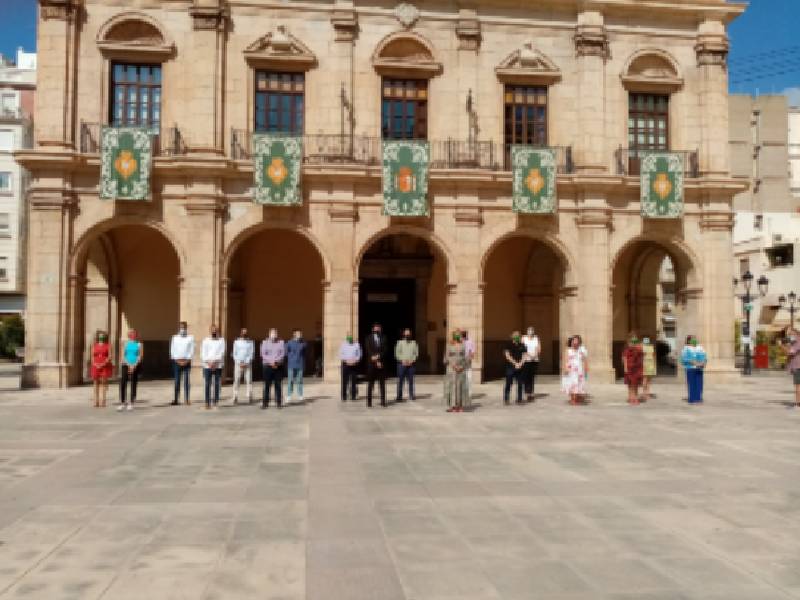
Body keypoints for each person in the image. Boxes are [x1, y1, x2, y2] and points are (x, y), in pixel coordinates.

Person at [200, 324, 225, 410]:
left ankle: (216, 402)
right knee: (207, 384)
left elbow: (222, 352)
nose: (214, 331)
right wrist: (209, 362)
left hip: (218, 365)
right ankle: (207, 402)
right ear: (210, 331)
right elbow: (203, 353)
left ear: (218, 331)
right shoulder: (206, 341)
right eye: (212, 330)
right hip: (207, 365)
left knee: (217, 384)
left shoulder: (221, 340)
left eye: (215, 330)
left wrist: (215, 362)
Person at [170, 321, 194, 405]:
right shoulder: (175, 337)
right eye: (181, 327)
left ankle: (187, 399)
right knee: (177, 381)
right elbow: (172, 351)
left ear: (186, 328)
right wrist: (177, 361)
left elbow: (191, 351)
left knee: (187, 381)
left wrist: (187, 361)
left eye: (184, 327)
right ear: (179, 328)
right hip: (177, 362)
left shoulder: (190, 338)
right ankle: (176, 399)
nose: (182, 329)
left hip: (187, 362)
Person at [444, 330, 468, 412]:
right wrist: (453, 365)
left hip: (461, 370)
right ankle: (452, 406)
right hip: (451, 369)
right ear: (453, 336)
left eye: (459, 335)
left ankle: (459, 406)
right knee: (451, 387)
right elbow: (446, 358)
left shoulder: (463, 346)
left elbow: (465, 358)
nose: (458, 336)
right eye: (456, 335)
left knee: (460, 387)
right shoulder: (449, 345)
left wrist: (462, 366)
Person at [118, 329, 143, 411]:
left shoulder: (139, 344)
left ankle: (131, 402)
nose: (132, 335)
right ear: (128, 335)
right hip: (125, 364)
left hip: (135, 365)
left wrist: (134, 365)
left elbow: (140, 356)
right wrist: (128, 364)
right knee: (123, 382)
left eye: (134, 333)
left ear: (136, 335)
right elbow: (122, 355)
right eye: (130, 333)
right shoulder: (125, 343)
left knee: (133, 383)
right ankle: (122, 402)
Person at [261, 328, 286, 409]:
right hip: (267, 366)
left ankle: (278, 402)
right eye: (272, 333)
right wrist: (271, 362)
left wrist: (275, 362)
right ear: (269, 334)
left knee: (278, 385)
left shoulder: (281, 342)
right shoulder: (264, 342)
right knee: (266, 385)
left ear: (277, 334)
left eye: (275, 333)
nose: (273, 335)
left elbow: (282, 354)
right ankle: (265, 403)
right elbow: (263, 354)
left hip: (278, 366)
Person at [364, 323, 387, 407]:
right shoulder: (368, 338)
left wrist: (379, 357)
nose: (377, 329)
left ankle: (383, 401)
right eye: (376, 328)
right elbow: (368, 349)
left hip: (381, 363)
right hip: (371, 363)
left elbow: (385, 349)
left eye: (378, 328)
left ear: (380, 329)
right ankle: (369, 402)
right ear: (373, 329)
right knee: (370, 383)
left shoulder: (384, 338)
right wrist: (373, 357)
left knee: (382, 384)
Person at [562, 335, 588, 405]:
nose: (575, 342)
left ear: (579, 342)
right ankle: (572, 398)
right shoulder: (568, 350)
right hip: (570, 369)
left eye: (577, 340)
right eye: (574, 340)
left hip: (579, 369)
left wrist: (586, 368)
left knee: (577, 384)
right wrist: (566, 368)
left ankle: (576, 398)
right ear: (572, 341)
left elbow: (584, 360)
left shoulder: (581, 350)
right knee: (571, 383)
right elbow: (566, 360)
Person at [681, 334, 706, 404]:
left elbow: (704, 356)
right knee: (692, 384)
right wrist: (695, 363)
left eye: (695, 339)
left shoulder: (700, 348)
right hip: (690, 368)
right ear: (689, 341)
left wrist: (703, 363)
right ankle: (692, 399)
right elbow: (684, 359)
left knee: (699, 384)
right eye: (693, 339)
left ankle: (698, 398)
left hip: (699, 368)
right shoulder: (685, 349)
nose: (695, 340)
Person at [231, 328, 254, 404]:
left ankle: (250, 396)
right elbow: (234, 353)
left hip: (248, 364)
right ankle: (235, 396)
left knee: (248, 380)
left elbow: (251, 353)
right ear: (240, 333)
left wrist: (246, 362)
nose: (244, 333)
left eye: (245, 332)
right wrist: (239, 362)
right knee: (237, 380)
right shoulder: (236, 342)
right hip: (238, 364)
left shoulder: (250, 342)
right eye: (243, 332)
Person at [395, 328, 418, 402]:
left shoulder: (414, 343)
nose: (407, 335)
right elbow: (397, 353)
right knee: (400, 381)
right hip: (401, 364)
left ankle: (411, 395)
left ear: (410, 334)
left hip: (411, 365)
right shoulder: (400, 343)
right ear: (404, 334)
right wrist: (402, 360)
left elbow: (416, 353)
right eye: (406, 333)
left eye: (409, 334)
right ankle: (399, 396)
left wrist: (412, 360)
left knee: (411, 381)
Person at [90, 330, 113, 408]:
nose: (101, 337)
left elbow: (110, 356)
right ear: (97, 337)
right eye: (100, 336)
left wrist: (103, 364)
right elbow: (92, 356)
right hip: (95, 365)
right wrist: (95, 364)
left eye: (102, 336)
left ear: (105, 337)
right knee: (95, 383)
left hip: (104, 366)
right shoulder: (94, 345)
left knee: (103, 383)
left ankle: (103, 400)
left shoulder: (108, 345)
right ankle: (95, 401)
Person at [503, 331, 526, 405]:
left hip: (520, 366)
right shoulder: (508, 345)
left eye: (518, 336)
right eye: (515, 336)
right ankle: (506, 399)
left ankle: (519, 399)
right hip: (510, 367)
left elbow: (524, 355)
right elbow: (507, 356)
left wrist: (521, 363)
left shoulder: (522, 345)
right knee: (508, 383)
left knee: (520, 383)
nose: (517, 337)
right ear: (512, 336)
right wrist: (515, 363)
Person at [622, 331, 644, 405]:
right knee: (630, 384)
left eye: (635, 339)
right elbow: (624, 358)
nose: (633, 342)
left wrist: (639, 346)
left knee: (636, 384)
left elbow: (642, 355)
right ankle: (631, 397)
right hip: (630, 368)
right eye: (632, 340)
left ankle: (635, 398)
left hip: (637, 368)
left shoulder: (639, 348)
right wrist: (625, 368)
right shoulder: (627, 349)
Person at [286, 328, 307, 403]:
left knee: (300, 381)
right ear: (294, 334)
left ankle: (300, 395)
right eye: (298, 334)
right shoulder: (289, 342)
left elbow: (305, 353)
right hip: (291, 364)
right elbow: (286, 352)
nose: (300, 335)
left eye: (300, 334)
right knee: (290, 380)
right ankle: (289, 395)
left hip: (300, 364)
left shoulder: (303, 343)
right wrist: (291, 358)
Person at [339, 333, 361, 401]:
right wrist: (346, 360)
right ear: (347, 337)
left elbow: (359, 354)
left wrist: (355, 360)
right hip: (345, 364)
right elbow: (340, 354)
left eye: (351, 337)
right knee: (344, 381)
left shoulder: (357, 344)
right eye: (349, 337)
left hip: (354, 364)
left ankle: (353, 396)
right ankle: (344, 396)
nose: (350, 338)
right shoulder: (343, 345)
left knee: (354, 381)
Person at [521, 326, 541, 402]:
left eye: (532, 330)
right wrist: (529, 355)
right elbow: (522, 349)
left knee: (532, 376)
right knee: (526, 377)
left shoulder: (536, 338)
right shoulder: (524, 338)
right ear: (527, 331)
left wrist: (535, 355)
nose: (530, 331)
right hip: (526, 360)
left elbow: (539, 348)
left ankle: (531, 392)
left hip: (534, 360)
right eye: (529, 330)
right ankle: (527, 392)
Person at [784, 328, 800, 407]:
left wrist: (781, 346)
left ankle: (798, 403)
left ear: (796, 334)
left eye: (791, 334)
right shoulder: (794, 343)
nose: (790, 336)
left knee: (798, 386)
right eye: (789, 335)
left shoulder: (798, 342)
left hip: (798, 367)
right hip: (797, 367)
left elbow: (790, 353)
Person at [462, 329, 475, 402]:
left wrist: (469, 358)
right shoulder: (459, 342)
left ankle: (469, 394)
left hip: (467, 362)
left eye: (464, 334)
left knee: (468, 378)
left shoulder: (470, 341)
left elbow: (472, 352)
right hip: (460, 363)